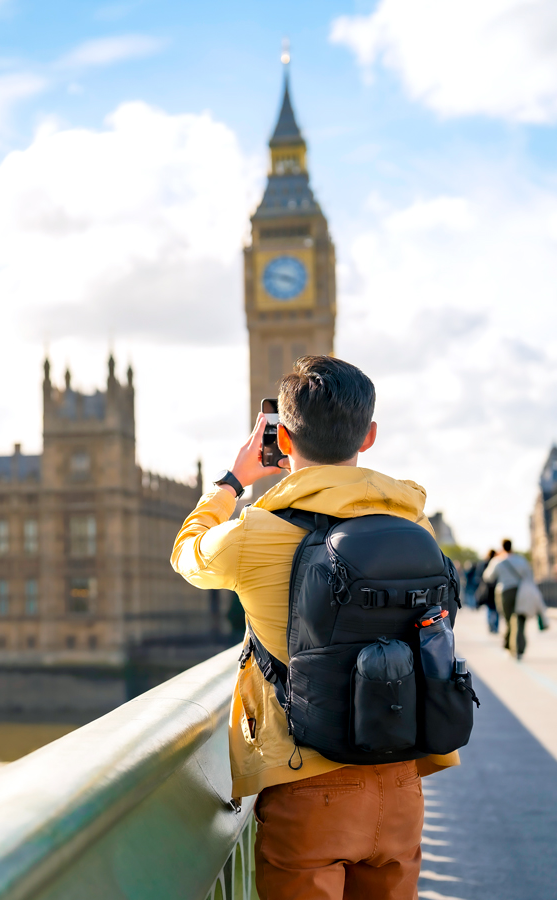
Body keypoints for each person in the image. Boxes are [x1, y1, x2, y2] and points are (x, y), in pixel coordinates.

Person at [170, 356, 458, 900]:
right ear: (368, 436)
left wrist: (234, 480)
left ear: (279, 434)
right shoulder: (413, 521)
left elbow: (186, 553)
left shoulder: (254, 533)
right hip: (401, 778)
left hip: (304, 778)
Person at [484, 539, 536, 659]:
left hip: (504, 591)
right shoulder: (521, 560)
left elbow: (488, 577)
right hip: (521, 591)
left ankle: (508, 645)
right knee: (520, 619)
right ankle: (519, 647)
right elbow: (529, 575)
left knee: (508, 620)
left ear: (502, 547)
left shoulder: (498, 561)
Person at [471, 548, 499, 633]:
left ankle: (490, 624)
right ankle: (496, 626)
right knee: (496, 608)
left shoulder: (483, 563)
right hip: (496, 588)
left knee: (489, 608)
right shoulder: (497, 563)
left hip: (486, 588)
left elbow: (479, 576)